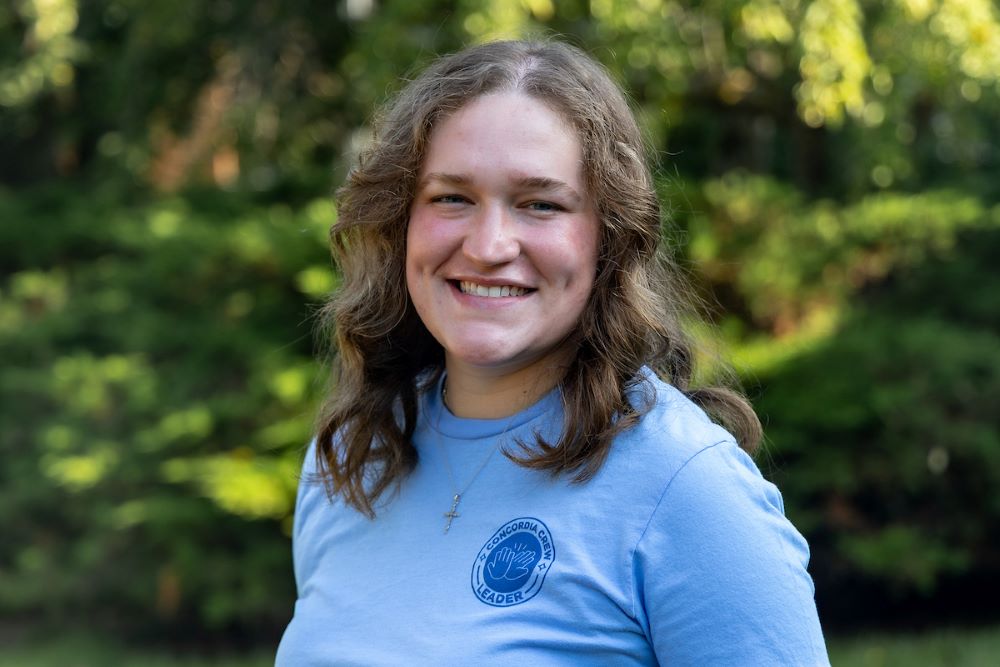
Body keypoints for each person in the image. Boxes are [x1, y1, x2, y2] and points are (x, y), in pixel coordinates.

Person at [276, 39, 829, 665]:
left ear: (609, 239)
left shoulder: (685, 486)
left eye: (540, 204)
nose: (488, 246)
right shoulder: (350, 462)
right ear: (400, 221)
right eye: (451, 197)